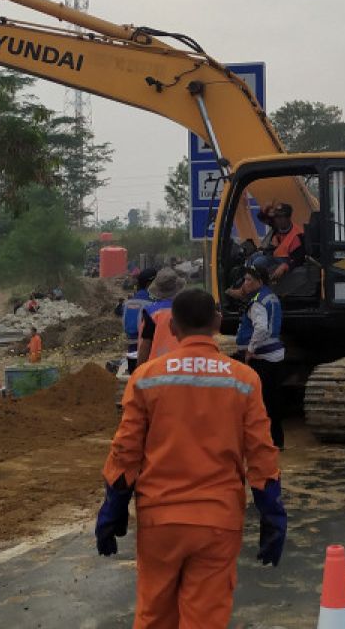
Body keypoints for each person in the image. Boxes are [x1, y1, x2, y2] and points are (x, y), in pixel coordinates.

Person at [96, 288, 285, 628]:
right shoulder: (245, 380)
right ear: (217, 321)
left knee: (154, 615)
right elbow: (261, 452)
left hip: (160, 520)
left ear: (173, 327)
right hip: (217, 520)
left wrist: (113, 506)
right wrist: (272, 512)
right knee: (205, 619)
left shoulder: (146, 378)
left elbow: (126, 451)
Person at [233, 265, 286, 449]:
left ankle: (264, 443)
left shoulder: (256, 301)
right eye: (245, 279)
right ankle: (276, 441)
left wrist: (250, 349)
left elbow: (261, 328)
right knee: (272, 401)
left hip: (261, 357)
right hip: (273, 355)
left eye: (249, 280)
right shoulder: (270, 296)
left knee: (259, 402)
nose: (245, 284)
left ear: (260, 282)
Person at [137, 267, 185, 365]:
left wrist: (139, 370)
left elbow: (146, 344)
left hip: (157, 367)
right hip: (183, 365)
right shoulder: (188, 309)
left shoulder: (151, 312)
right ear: (178, 288)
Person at [117, 268, 156, 374]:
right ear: (150, 283)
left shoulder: (127, 303)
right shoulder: (151, 304)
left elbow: (118, 312)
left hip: (131, 347)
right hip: (146, 348)